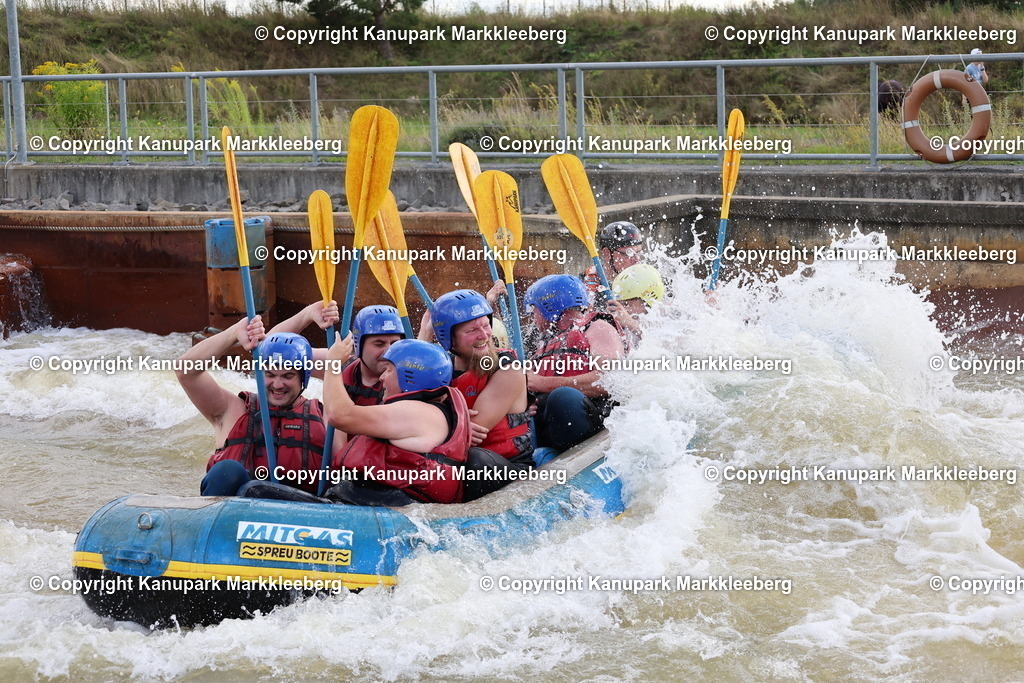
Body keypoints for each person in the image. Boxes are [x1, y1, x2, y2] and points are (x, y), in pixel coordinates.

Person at [175, 302, 344, 497]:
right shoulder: (234, 410)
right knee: (227, 471)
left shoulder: (329, 417)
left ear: (304, 376)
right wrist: (233, 334)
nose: (277, 384)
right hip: (239, 513)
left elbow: (348, 365)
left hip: (303, 511)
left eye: (288, 376)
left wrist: (307, 324)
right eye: (270, 374)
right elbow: (185, 371)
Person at [323, 337, 515, 504]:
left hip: (388, 506)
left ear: (409, 376)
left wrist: (332, 364)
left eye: (389, 370)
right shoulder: (428, 411)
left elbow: (339, 415)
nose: (381, 377)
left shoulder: (414, 413)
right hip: (383, 503)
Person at [427, 289, 533, 464]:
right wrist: (425, 334)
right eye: (472, 330)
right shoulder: (441, 367)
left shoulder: (509, 369)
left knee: (476, 459)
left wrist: (435, 421)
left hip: (508, 465)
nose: (484, 335)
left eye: (486, 326)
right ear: (449, 338)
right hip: (457, 465)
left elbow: (470, 436)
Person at [524, 274, 625, 453]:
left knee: (563, 397)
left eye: (534, 310)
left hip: (590, 421)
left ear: (549, 307)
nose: (533, 318)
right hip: (551, 430)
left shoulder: (598, 327)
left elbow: (610, 379)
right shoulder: (544, 345)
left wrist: (543, 383)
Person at [341, 305, 406, 406]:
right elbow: (311, 356)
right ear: (359, 345)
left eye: (395, 344)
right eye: (379, 344)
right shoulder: (341, 362)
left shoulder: (408, 380)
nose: (389, 351)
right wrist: (313, 316)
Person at [582, 221, 645, 302]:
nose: (636, 260)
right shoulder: (585, 287)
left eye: (638, 253)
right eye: (629, 253)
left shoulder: (648, 282)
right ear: (607, 253)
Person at [607, 263, 665, 349]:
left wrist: (630, 323)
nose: (622, 310)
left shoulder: (669, 319)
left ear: (647, 303)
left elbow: (665, 345)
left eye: (627, 304)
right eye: (619, 304)